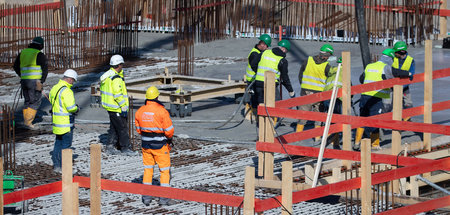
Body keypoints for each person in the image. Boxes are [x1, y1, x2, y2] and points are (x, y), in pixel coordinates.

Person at [355, 49, 410, 149]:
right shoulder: (385, 67)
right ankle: (374, 144)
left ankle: (357, 142)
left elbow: (361, 79)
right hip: (377, 98)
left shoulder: (369, 66)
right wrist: (408, 74)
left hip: (364, 96)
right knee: (375, 120)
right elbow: (396, 73)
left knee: (363, 118)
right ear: (390, 58)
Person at [135, 86, 175, 206]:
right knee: (164, 171)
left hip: (146, 146)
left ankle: (146, 197)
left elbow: (138, 130)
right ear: (157, 97)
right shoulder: (162, 111)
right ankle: (164, 198)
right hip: (160, 146)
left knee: (148, 170)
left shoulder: (140, 111)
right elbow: (169, 131)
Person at [297, 44, 334, 142]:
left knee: (303, 114)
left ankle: (298, 136)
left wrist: (304, 85)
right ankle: (317, 138)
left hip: (306, 92)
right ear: (327, 55)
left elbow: (300, 74)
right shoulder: (327, 66)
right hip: (320, 94)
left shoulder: (308, 60)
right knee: (319, 116)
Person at [100, 54, 136, 156]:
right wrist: (123, 106)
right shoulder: (115, 78)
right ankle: (125, 148)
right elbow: (118, 94)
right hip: (116, 107)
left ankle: (110, 146)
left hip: (110, 106)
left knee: (114, 127)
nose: (122, 67)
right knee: (122, 128)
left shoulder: (107, 76)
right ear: (119, 65)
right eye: (122, 65)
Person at [250, 39, 295, 117]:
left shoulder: (265, 52)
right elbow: (285, 77)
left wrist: (259, 73)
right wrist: (290, 91)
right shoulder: (282, 60)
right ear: (284, 49)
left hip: (259, 83)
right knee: (276, 104)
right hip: (271, 85)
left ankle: (261, 122)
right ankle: (272, 124)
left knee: (261, 103)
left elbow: (253, 64)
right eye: (286, 51)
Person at [13, 36, 48, 129]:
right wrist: (41, 81)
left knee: (27, 100)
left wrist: (22, 75)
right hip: (35, 82)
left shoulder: (23, 52)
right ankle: (28, 123)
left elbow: (15, 66)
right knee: (35, 101)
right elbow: (44, 69)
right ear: (40, 45)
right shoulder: (39, 54)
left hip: (24, 81)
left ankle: (27, 120)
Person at [49, 69, 79, 172]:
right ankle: (64, 167)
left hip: (57, 121)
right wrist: (77, 108)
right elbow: (71, 107)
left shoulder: (55, 88)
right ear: (70, 79)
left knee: (58, 143)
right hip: (66, 122)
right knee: (66, 145)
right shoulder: (67, 91)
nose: (73, 82)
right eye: (73, 80)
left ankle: (57, 165)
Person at [244, 34, 272, 115]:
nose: (267, 48)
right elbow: (254, 66)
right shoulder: (255, 54)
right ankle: (254, 114)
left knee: (256, 99)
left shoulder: (258, 52)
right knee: (255, 100)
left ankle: (254, 113)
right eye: (267, 46)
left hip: (255, 79)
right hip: (252, 80)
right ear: (262, 44)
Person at [322, 57, 343, 148]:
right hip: (336, 97)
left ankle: (329, 139)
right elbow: (347, 84)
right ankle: (333, 141)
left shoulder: (332, 71)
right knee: (336, 120)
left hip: (327, 96)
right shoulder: (343, 71)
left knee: (330, 119)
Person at [392, 41, 415, 121]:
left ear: (400, 52)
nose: (394, 53)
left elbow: (411, 74)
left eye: (395, 52)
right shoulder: (393, 58)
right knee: (391, 105)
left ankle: (406, 120)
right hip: (392, 86)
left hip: (405, 86)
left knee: (408, 103)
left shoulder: (410, 60)